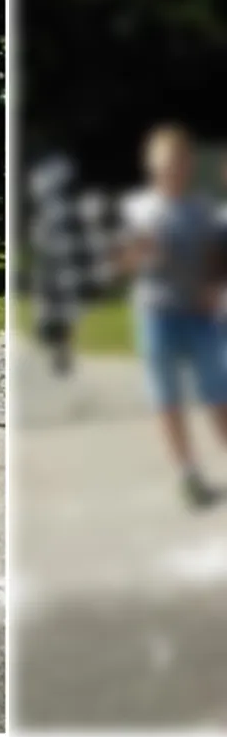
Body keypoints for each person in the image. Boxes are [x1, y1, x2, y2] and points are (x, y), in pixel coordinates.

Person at [114, 124, 225, 509]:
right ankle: (188, 473)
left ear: (188, 166)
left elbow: (216, 257)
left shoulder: (202, 208)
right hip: (157, 314)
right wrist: (139, 253)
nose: (173, 170)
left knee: (218, 392)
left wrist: (213, 288)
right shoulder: (138, 208)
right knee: (168, 399)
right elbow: (123, 261)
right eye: (166, 164)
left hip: (200, 316)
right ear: (154, 167)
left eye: (179, 163)